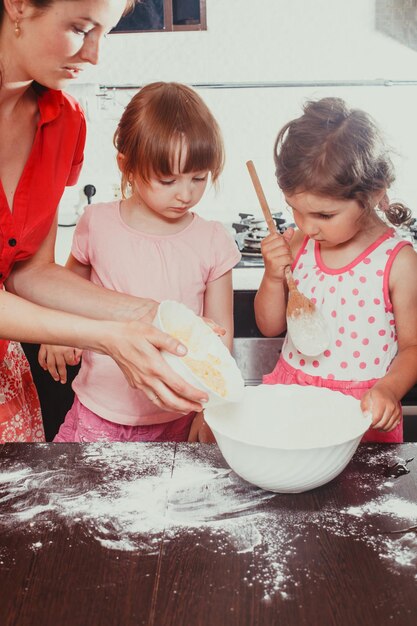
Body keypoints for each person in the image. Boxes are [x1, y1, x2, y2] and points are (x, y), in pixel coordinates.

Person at [0, 0, 211, 443]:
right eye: (80, 29)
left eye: (105, 33)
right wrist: (107, 336)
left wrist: (150, 315)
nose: (95, 55)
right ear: (18, 5)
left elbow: (27, 271)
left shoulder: (65, 123)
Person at [39, 81, 240, 443]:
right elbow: (62, 293)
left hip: (177, 415)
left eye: (198, 178)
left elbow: (220, 339)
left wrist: (211, 409)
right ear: (127, 166)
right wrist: (55, 336)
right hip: (97, 411)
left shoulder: (213, 241)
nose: (185, 193)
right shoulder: (96, 223)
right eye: (168, 180)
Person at [254, 97, 417, 443]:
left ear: (373, 194)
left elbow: (413, 347)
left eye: (324, 216)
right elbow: (270, 327)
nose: (307, 226)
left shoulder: (397, 261)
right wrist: (271, 276)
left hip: (361, 411)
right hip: (294, 399)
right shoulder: (299, 244)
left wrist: (389, 389)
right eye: (295, 210)